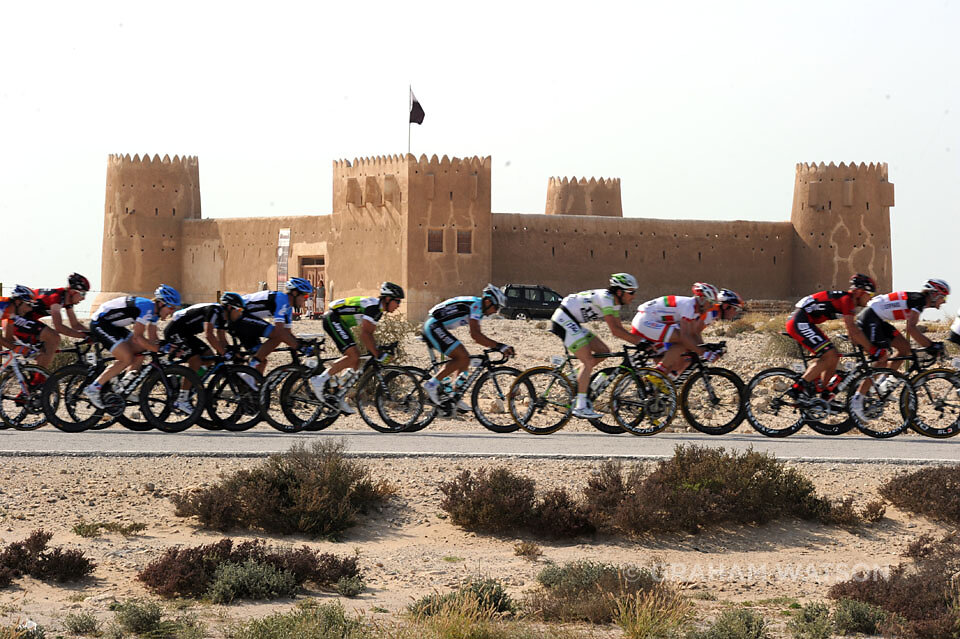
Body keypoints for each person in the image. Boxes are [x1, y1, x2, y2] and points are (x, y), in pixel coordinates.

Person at [851, 278, 949, 418]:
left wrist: (930, 345)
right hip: (870, 317)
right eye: (943, 297)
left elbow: (911, 330)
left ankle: (881, 386)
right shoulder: (919, 300)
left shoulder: (918, 300)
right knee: (882, 357)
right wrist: (931, 346)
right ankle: (857, 399)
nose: (944, 301)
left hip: (877, 319)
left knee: (905, 348)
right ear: (934, 294)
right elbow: (911, 329)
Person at [550, 273, 642, 419]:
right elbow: (615, 331)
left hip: (572, 321)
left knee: (603, 351)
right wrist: (641, 342)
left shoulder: (615, 303)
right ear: (619, 291)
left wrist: (639, 340)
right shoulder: (607, 299)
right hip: (564, 319)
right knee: (587, 361)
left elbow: (620, 328)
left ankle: (570, 378)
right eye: (631, 292)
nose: (634, 296)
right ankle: (580, 407)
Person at [310, 282, 406, 413]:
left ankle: (338, 394)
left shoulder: (378, 310)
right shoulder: (374, 308)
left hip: (342, 322)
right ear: (388, 299)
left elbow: (369, 334)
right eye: (398, 302)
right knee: (353, 355)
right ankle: (320, 380)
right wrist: (377, 354)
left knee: (355, 362)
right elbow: (365, 335)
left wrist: (378, 349)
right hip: (333, 318)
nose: (398, 306)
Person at [82, 285, 181, 409]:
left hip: (114, 326)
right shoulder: (147, 308)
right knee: (127, 357)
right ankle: (93, 388)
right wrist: (160, 348)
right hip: (100, 323)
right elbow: (137, 338)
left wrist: (167, 346)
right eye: (171, 307)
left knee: (141, 352)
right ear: (161, 304)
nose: (172, 311)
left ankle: (125, 388)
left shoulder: (155, 312)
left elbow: (152, 339)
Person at [785, 274, 877, 400]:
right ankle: (797, 388)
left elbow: (853, 331)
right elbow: (853, 329)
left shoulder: (848, 300)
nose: (870, 299)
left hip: (804, 321)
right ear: (860, 292)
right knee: (830, 355)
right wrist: (872, 350)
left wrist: (862, 344)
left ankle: (820, 395)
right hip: (799, 322)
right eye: (870, 295)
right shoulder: (848, 300)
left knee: (833, 358)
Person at [421, 284, 513, 408]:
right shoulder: (476, 305)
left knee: (465, 359)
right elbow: (475, 335)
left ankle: (454, 396)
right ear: (487, 301)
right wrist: (500, 346)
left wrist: (497, 345)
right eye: (496, 307)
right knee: (462, 357)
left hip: (436, 325)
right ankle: (431, 385)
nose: (496, 311)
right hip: (433, 325)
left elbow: (476, 335)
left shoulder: (478, 307)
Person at [163, 293, 239, 411]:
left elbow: (222, 339)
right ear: (230, 308)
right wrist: (224, 353)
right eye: (238, 310)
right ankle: (182, 400)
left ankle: (180, 380)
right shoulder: (214, 310)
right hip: (175, 331)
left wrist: (228, 352)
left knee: (210, 358)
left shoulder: (223, 317)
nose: (239, 313)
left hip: (186, 334)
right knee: (195, 361)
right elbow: (209, 335)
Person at [630, 282, 723, 379]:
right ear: (703, 299)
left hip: (649, 321)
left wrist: (707, 349)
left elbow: (694, 334)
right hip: (645, 321)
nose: (712, 306)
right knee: (683, 341)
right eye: (711, 302)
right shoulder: (689, 306)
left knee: (676, 355)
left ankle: (662, 382)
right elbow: (685, 337)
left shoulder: (695, 310)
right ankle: (657, 375)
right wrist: (704, 353)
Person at [12, 273, 90, 371]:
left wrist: (92, 334)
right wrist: (84, 336)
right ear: (73, 292)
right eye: (83, 294)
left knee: (46, 350)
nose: (84, 298)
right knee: (54, 337)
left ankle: (37, 378)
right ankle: (39, 379)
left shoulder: (66, 301)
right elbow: (59, 327)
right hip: (15, 319)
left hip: (27, 320)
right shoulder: (56, 297)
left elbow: (75, 324)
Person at [241, 277, 314, 375]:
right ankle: (251, 367)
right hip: (239, 315)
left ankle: (251, 384)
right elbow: (280, 332)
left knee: (262, 361)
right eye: (305, 297)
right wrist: (299, 347)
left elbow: (288, 333)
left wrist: (301, 344)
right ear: (295, 293)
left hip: (247, 319)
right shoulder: (281, 299)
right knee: (278, 335)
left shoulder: (288, 308)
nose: (305, 301)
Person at [0, 286, 39, 352]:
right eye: (29, 304)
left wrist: (27, 347)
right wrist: (16, 348)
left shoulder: (11, 313)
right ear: (18, 302)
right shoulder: (1, 306)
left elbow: (9, 339)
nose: (30, 309)